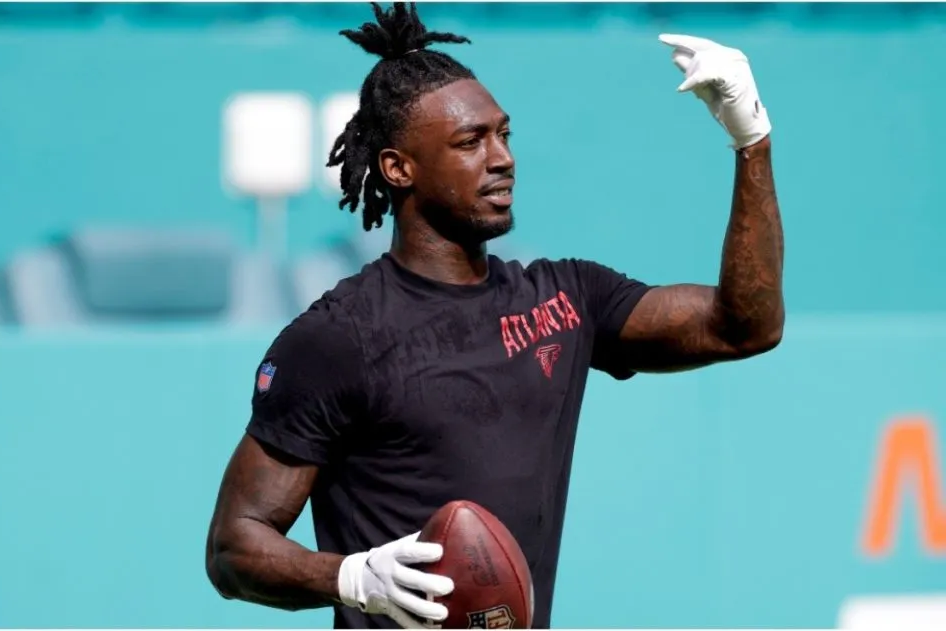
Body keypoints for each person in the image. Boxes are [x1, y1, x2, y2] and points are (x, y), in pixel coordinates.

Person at [205, 3, 784, 629]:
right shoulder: (338, 337)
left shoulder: (566, 298)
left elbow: (745, 324)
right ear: (399, 168)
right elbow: (234, 546)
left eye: (503, 134)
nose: (502, 157)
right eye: (470, 142)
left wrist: (750, 140)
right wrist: (352, 576)